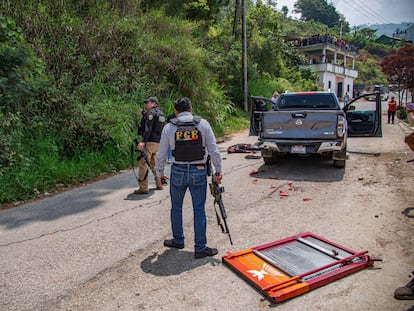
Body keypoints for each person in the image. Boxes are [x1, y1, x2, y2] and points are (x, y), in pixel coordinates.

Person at [155, 97, 222, 259]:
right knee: (199, 209)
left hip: (177, 171)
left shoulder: (169, 127)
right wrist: (218, 172)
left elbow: (161, 154)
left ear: (176, 112)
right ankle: (200, 248)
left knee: (176, 208)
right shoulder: (203, 124)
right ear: (191, 109)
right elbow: (213, 150)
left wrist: (159, 173)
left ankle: (178, 240)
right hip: (198, 171)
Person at [134, 96, 165, 194]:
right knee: (153, 163)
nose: (146, 104)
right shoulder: (161, 114)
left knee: (143, 163)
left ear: (154, 103)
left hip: (150, 142)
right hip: (158, 142)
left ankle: (143, 188)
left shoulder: (151, 114)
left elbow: (148, 129)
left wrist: (143, 141)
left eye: (148, 102)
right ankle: (159, 184)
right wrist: (145, 115)